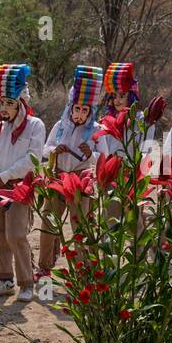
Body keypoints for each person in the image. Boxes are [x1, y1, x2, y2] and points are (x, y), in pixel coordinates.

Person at [0, 63, 46, 302]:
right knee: (0, 233)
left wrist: (5, 175)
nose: (5, 108)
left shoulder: (35, 126)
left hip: (19, 187)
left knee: (16, 234)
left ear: (21, 102)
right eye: (1, 103)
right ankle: (5, 279)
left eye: (10, 103)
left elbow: (31, 159)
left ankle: (26, 282)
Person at [39, 65, 102, 279]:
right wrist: (54, 150)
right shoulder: (60, 126)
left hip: (81, 182)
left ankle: (84, 271)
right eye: (77, 109)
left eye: (85, 110)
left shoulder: (97, 129)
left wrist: (90, 155)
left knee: (81, 227)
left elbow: (104, 157)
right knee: (49, 222)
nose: (80, 114)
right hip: (58, 178)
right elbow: (45, 149)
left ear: (90, 111)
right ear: (71, 107)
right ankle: (44, 267)